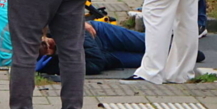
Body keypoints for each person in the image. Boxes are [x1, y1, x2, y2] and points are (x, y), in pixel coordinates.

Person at [39, 21, 205, 75]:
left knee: (149, 42)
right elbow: (95, 64)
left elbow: (64, 16)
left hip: (102, 34)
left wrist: (79, 26)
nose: (51, 44)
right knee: (155, 59)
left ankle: (187, 49)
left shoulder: (55, 28)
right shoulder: (52, 65)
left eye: (48, 41)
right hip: (109, 57)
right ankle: (185, 56)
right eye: (49, 49)